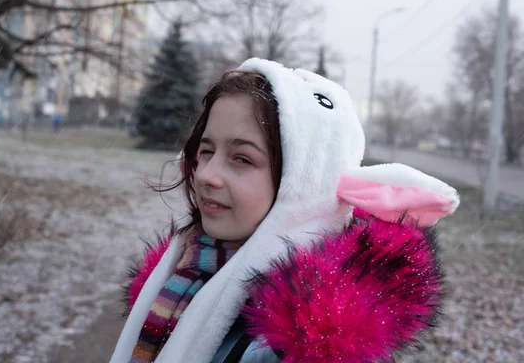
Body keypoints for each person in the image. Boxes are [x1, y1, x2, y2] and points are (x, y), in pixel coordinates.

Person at [109, 58, 460, 363]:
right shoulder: (177, 282)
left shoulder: (304, 345)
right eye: (207, 151)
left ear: (304, 183)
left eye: (242, 158)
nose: (207, 175)